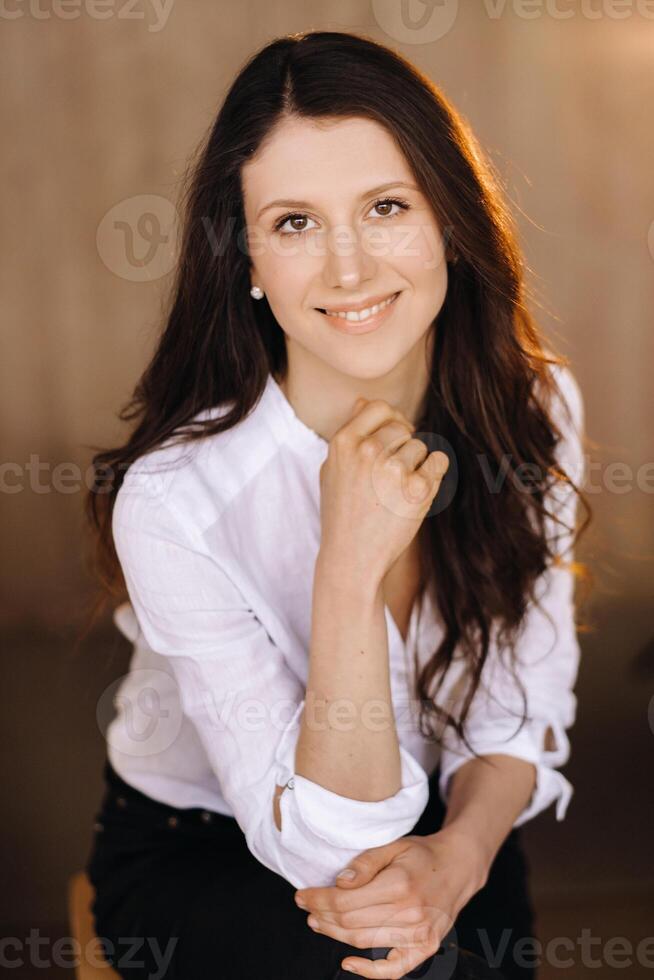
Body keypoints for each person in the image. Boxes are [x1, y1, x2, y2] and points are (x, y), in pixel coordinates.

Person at [83, 29, 590, 980]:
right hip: (208, 844)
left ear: (451, 220)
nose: (349, 270)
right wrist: (348, 569)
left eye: (386, 207)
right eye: (295, 223)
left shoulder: (534, 405)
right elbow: (320, 848)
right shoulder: (177, 498)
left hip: (450, 817)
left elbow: (518, 715)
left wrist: (456, 862)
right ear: (246, 260)